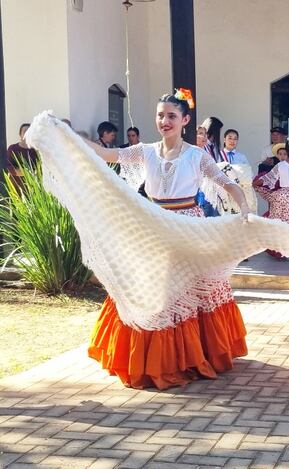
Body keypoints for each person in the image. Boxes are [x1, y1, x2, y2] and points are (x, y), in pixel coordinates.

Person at [84, 91, 254, 389]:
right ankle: (147, 358)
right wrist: (66, 135)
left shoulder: (196, 156)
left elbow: (228, 184)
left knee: (189, 290)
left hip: (188, 226)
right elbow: (106, 154)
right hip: (152, 225)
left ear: (185, 120)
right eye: (161, 115)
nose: (165, 121)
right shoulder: (145, 151)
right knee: (150, 286)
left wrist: (245, 208)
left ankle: (190, 356)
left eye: (172, 116)